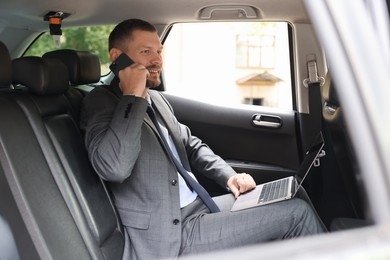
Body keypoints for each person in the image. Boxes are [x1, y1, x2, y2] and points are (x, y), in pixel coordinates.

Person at [80, 18, 325, 260]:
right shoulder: (102, 102)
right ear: (117, 57)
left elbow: (192, 146)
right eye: (146, 52)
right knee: (297, 214)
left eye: (159, 51)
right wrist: (133, 95)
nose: (157, 60)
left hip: (199, 208)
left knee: (295, 193)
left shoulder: (158, 100)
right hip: (170, 235)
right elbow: (114, 168)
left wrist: (230, 175)